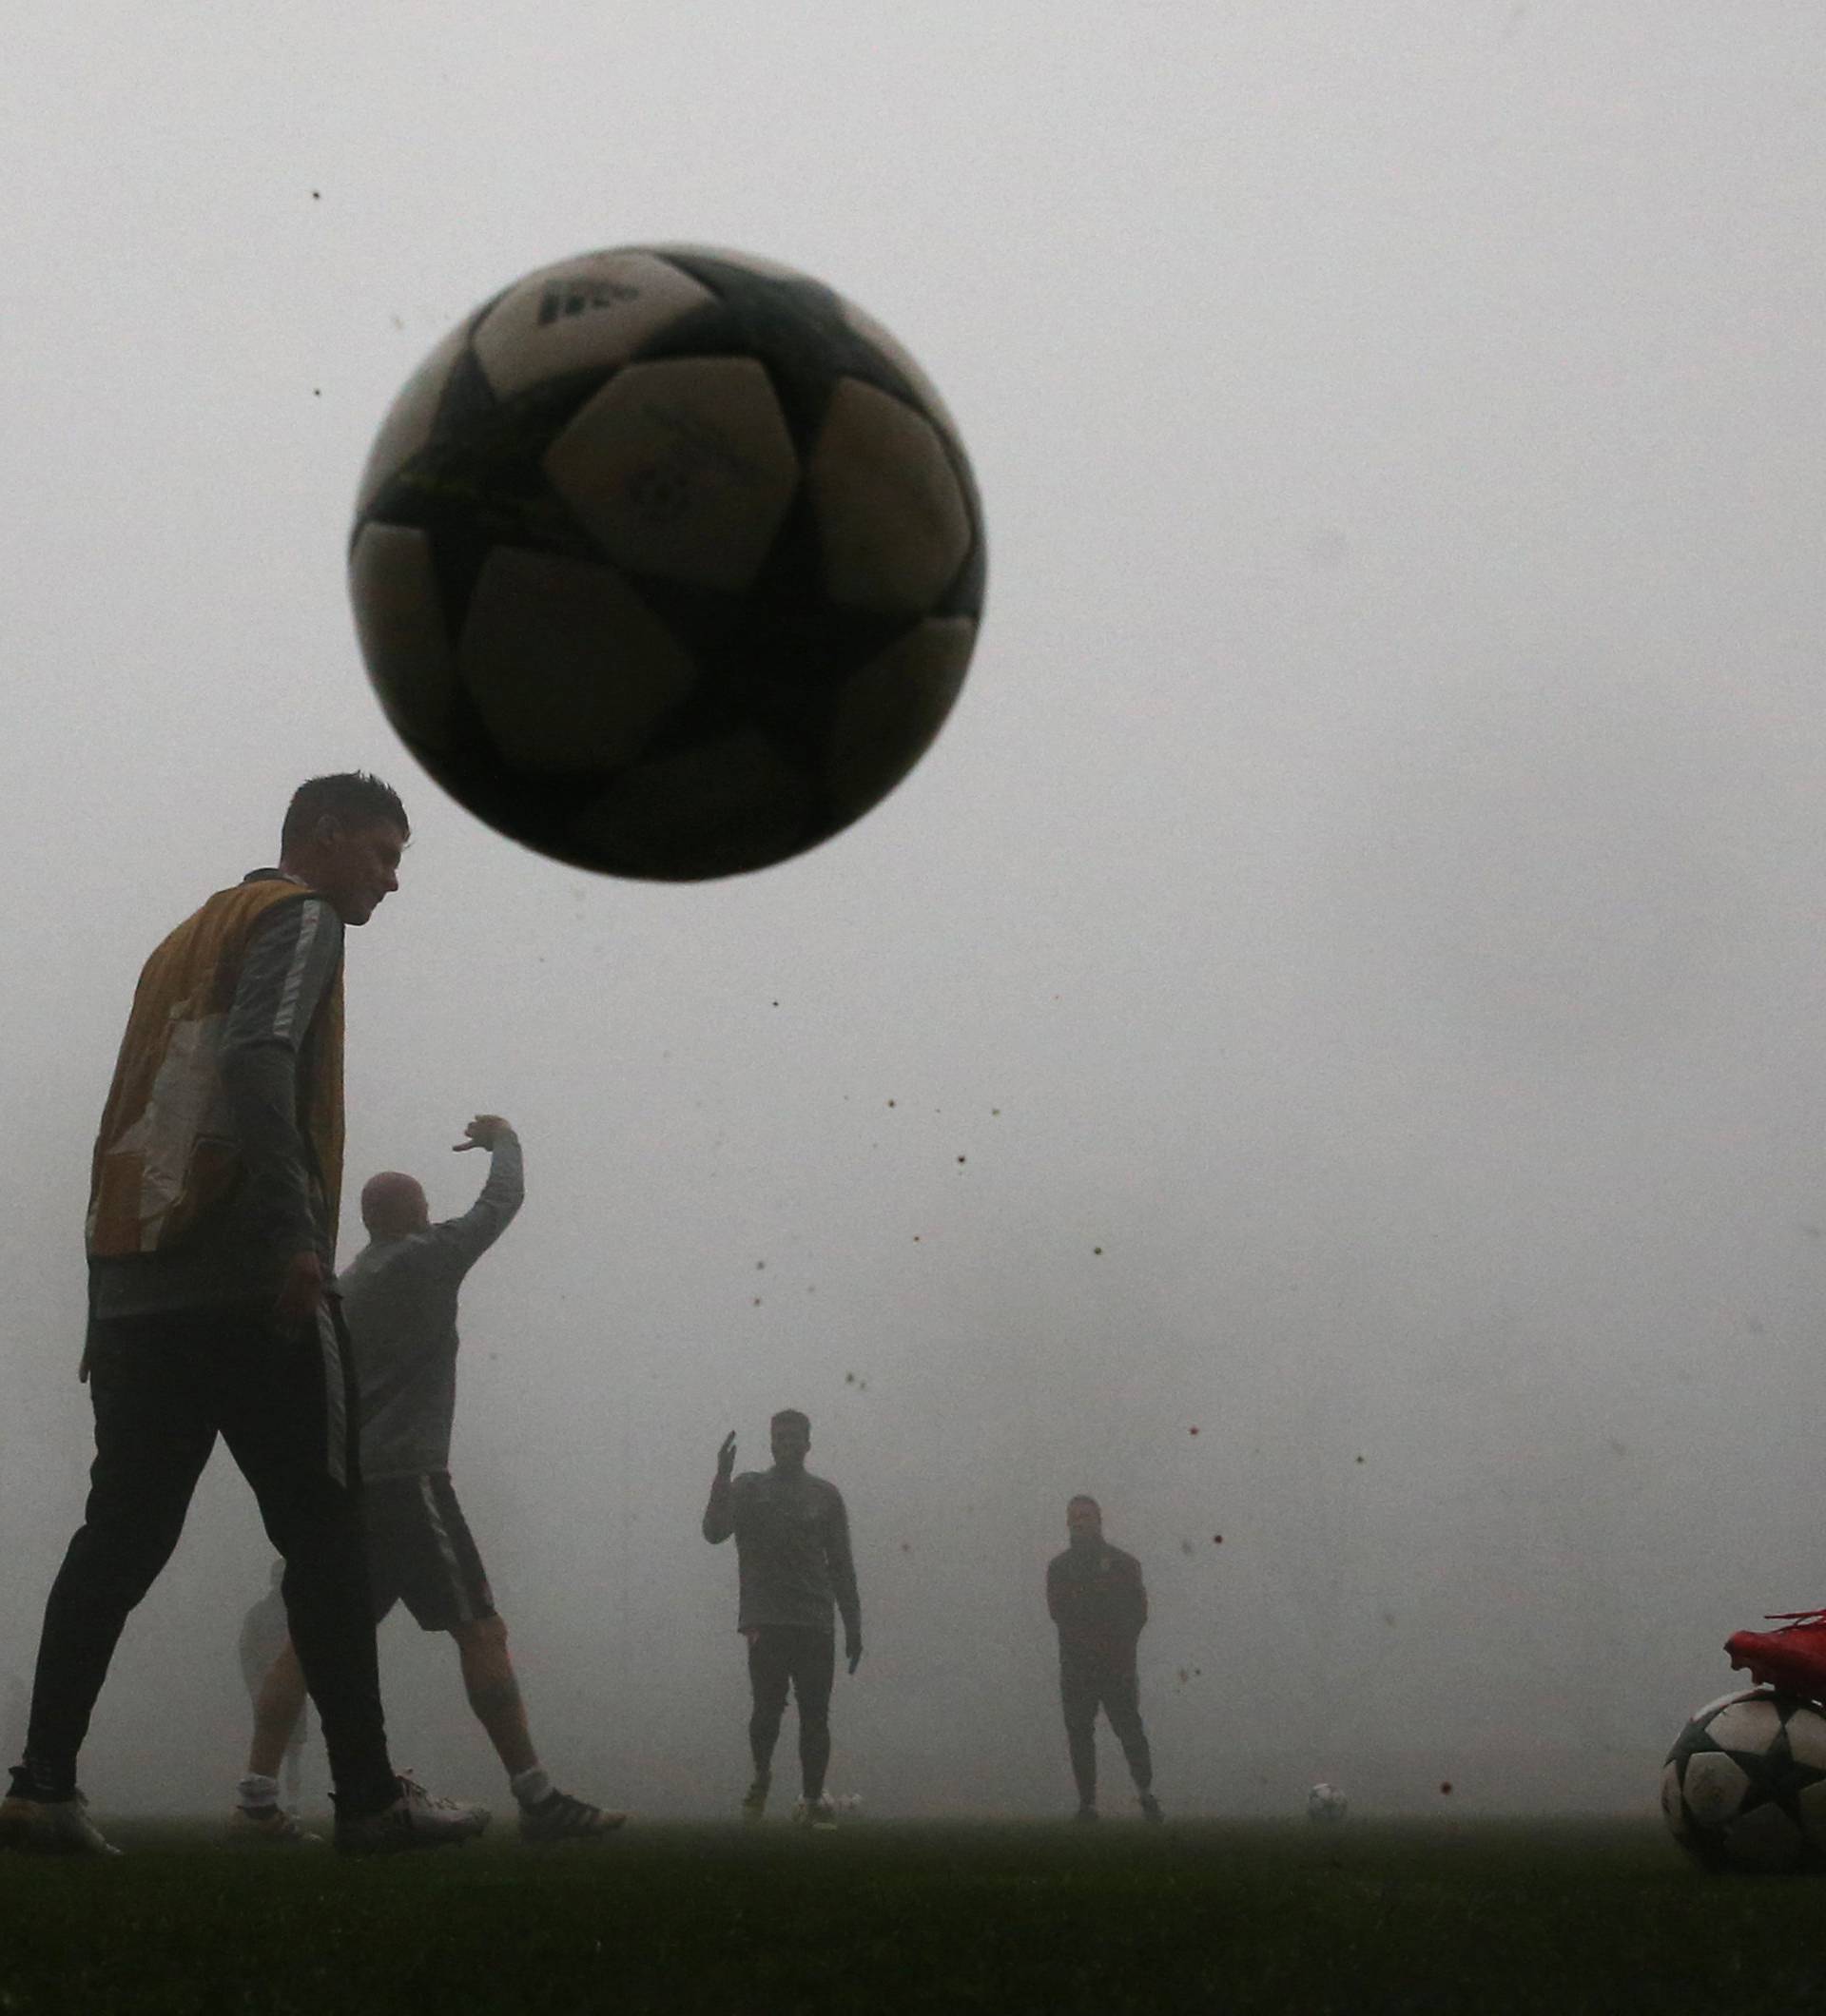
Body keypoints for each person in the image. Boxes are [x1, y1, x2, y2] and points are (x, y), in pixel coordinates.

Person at [0, 773, 484, 1857]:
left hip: (138, 1282)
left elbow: (129, 1114)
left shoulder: (182, 938)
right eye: (382, 853)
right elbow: (257, 1055)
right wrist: (297, 1234)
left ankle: (40, 1784)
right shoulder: (299, 917)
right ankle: (367, 1796)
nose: (392, 881)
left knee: (118, 1536)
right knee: (324, 1528)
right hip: (247, 1278)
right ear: (322, 835)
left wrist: (98, 1298)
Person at [237, 1115, 622, 1844]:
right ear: (410, 1216)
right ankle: (536, 1795)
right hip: (410, 1480)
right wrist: (506, 1140)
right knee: (480, 1627)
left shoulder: (348, 1284)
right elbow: (497, 1207)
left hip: (353, 1485)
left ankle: (256, 1796)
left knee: (311, 1642)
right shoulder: (426, 1258)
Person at [701, 1410, 862, 1828]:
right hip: (765, 1618)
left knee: (815, 1713)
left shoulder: (825, 1496)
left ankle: (810, 1799)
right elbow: (714, 1531)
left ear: (809, 1443)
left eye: (796, 1436)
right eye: (781, 1436)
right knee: (767, 1709)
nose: (788, 1443)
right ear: (771, 1443)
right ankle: (761, 1775)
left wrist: (853, 1625)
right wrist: (721, 1477)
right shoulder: (750, 1488)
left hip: (814, 1620)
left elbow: (841, 1564)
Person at [1046, 1495, 1162, 1824]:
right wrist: (1088, 1642)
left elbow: (1138, 1611)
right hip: (1077, 1668)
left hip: (1117, 1665)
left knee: (1130, 1729)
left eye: (1085, 1516)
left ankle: (1145, 1793)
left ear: (1099, 1520)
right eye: (1074, 1517)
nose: (1079, 1522)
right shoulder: (1059, 1568)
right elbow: (1060, 1613)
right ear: (1068, 1523)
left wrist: (1116, 1643)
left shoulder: (1124, 1564)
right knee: (1080, 1733)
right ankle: (1088, 1804)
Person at [238, 1559, 310, 1821]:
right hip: (267, 1689)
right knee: (269, 1746)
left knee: (294, 1751)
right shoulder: (258, 1614)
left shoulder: (299, 1609)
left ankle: (293, 1804)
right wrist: (255, 1685)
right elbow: (246, 1652)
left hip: (294, 1687)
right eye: (277, 1576)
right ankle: (264, 1801)